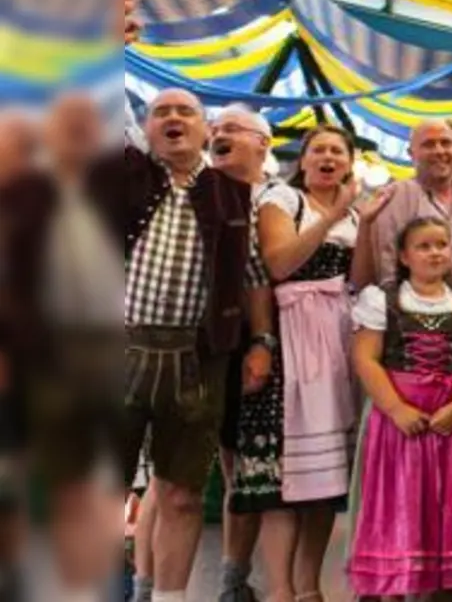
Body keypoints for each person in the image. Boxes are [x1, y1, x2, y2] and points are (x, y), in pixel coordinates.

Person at [121, 89, 275, 602]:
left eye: (184, 111)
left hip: (199, 357)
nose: (172, 118)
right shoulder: (121, 173)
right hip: (115, 350)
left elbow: (253, 275)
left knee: (182, 494)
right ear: (144, 128)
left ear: (205, 129)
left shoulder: (233, 194)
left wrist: (262, 342)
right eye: (160, 112)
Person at [237, 125, 393, 602]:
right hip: (290, 335)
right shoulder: (282, 199)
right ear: (302, 161)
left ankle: (308, 586)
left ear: (349, 163)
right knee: (283, 475)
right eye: (318, 150)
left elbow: (360, 279)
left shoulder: (352, 215)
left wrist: (364, 223)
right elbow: (280, 263)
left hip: (338, 337)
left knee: (327, 478)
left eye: (337, 152)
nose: (328, 158)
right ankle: (281, 588)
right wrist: (331, 219)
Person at [1, 96, 124, 602]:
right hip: (50, 352)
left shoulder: (112, 184)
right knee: (66, 481)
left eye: (85, 122)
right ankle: (76, 591)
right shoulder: (23, 194)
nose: (77, 130)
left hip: (117, 345)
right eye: (66, 122)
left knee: (114, 481)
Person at [347, 217, 452, 599]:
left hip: (448, 418)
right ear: (405, 256)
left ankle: (444, 585)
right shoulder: (383, 299)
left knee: (449, 497)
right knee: (397, 499)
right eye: (424, 246)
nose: (435, 252)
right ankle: (391, 581)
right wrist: (396, 409)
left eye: (441, 244)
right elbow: (366, 359)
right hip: (400, 418)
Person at [203, 104, 280, 602]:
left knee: (244, 470)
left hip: (255, 345)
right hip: (190, 345)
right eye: (217, 129)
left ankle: (235, 580)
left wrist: (262, 342)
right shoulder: (188, 188)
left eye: (233, 128)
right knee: (172, 479)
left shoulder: (279, 200)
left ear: (263, 144)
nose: (220, 134)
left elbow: (261, 279)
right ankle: (145, 586)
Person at [370, 120, 452, 286]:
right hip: (413, 306)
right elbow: (386, 267)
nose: (439, 151)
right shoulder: (395, 196)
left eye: (445, 143)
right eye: (429, 144)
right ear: (411, 153)